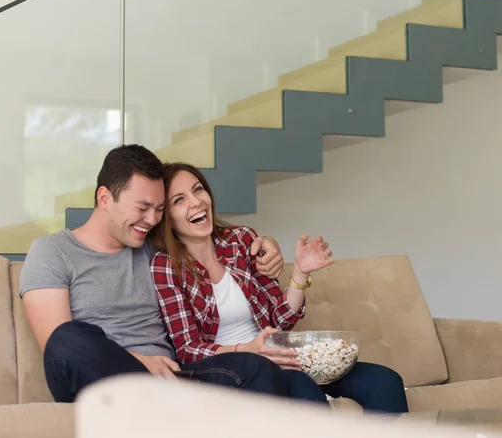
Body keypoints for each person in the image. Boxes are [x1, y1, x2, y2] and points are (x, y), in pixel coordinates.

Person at [19, 144, 293, 403]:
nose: (151, 220)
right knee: (70, 339)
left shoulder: (154, 250)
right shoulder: (52, 252)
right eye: (142, 208)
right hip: (103, 380)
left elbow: (213, 240)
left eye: (159, 209)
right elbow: (57, 345)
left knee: (254, 368)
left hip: (172, 378)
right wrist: (140, 363)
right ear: (105, 197)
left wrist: (264, 244)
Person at [149, 162, 409, 414]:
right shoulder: (165, 266)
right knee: (301, 387)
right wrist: (248, 349)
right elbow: (187, 348)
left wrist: (300, 271)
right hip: (233, 369)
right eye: (178, 200)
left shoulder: (241, 241)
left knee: (386, 382)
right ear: (167, 218)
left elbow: (279, 320)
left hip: (279, 356)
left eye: (198, 189)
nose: (196, 202)